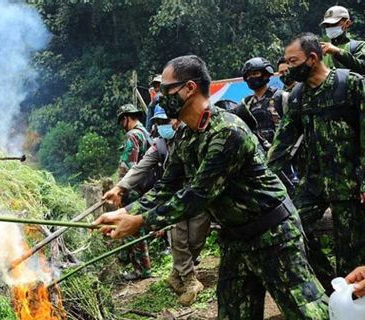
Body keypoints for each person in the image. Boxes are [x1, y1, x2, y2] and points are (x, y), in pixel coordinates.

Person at [94, 55, 328, 319]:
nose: (159, 97)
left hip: (274, 234)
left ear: (189, 88)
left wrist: (140, 221)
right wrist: (125, 212)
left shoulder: (226, 132)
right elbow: (167, 186)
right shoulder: (186, 134)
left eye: (165, 90)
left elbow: (198, 194)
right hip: (236, 238)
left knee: (308, 312)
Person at [268, 32, 365, 293]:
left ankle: (353, 304)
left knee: (351, 252)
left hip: (350, 183)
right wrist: (262, 177)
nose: (287, 67)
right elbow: (283, 142)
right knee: (290, 229)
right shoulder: (298, 96)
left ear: (312, 58)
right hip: (314, 183)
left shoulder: (351, 84)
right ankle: (331, 287)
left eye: (292, 61)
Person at [104, 106, 210, 306]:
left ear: (176, 121)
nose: (162, 126)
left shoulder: (191, 138)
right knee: (178, 238)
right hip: (173, 196)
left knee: (195, 238)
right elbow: (141, 167)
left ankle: (176, 275)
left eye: (166, 121)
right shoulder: (158, 143)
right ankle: (189, 280)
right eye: (158, 123)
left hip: (199, 195)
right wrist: (119, 187)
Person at [116, 103, 153, 280]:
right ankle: (137, 264)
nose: (121, 124)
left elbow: (128, 166)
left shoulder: (133, 135)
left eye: (121, 120)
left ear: (126, 118)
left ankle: (142, 270)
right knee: (138, 226)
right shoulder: (145, 133)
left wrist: (120, 189)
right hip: (144, 185)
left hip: (133, 188)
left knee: (133, 228)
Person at [233, 57, 283, 149]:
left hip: (280, 153)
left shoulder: (280, 97)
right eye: (248, 76)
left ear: (266, 74)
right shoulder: (245, 104)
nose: (251, 78)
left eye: (255, 73)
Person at [320, 5, 365, 75]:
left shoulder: (359, 46)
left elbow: (362, 67)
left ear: (347, 23)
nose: (329, 28)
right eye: (327, 25)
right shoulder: (322, 50)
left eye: (333, 24)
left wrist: (337, 52)